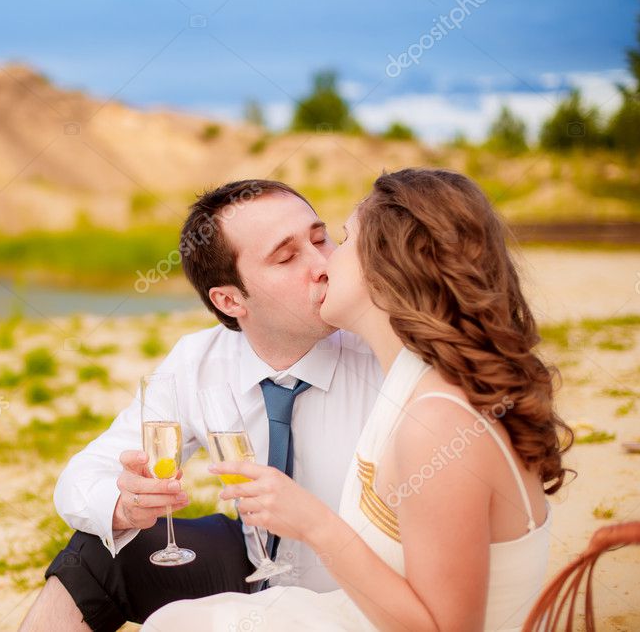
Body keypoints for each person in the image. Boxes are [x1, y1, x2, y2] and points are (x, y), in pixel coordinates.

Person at [143, 167, 572, 631]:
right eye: (291, 256)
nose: (324, 263)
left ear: (390, 266)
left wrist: (313, 524)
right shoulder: (415, 383)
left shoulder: (440, 423)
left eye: (340, 239)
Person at [19, 180, 384, 631]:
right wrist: (123, 502)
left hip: (369, 592)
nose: (323, 264)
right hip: (256, 568)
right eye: (287, 256)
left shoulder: (382, 347)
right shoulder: (198, 361)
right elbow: (83, 474)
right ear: (230, 300)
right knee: (95, 552)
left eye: (319, 238)